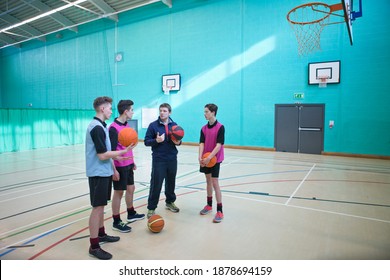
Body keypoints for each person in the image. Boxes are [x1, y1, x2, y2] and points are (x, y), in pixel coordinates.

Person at [85, 96, 135, 260]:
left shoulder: (102, 126)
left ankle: (101, 234)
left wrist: (114, 165)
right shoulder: (96, 128)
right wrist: (122, 152)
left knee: (101, 206)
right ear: (102, 109)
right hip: (97, 174)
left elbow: (106, 154)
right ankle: (94, 246)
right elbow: (102, 154)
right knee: (97, 208)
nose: (111, 111)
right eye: (109, 108)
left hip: (104, 171)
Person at [109, 100, 145, 233]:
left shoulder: (126, 126)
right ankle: (116, 221)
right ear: (126, 111)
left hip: (129, 164)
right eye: (131, 110)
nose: (133, 112)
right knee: (119, 192)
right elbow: (111, 151)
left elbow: (128, 147)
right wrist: (113, 170)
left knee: (131, 188)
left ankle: (131, 213)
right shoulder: (113, 128)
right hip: (119, 166)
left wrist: (132, 160)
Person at [144, 103, 182, 218]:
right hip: (159, 160)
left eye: (164, 111)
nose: (162, 113)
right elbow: (146, 142)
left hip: (172, 159)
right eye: (160, 110)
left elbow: (179, 141)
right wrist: (156, 140)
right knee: (156, 184)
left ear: (169, 112)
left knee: (171, 182)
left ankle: (170, 202)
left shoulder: (175, 126)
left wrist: (178, 142)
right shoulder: (153, 126)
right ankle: (151, 207)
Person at [198, 103, 225, 223]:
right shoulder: (203, 128)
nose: (204, 114)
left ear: (213, 112)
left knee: (215, 182)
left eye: (206, 112)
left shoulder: (220, 127)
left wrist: (210, 157)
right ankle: (209, 205)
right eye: (204, 112)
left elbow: (219, 145)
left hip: (215, 158)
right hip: (205, 158)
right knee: (208, 181)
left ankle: (220, 210)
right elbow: (201, 143)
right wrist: (200, 157)